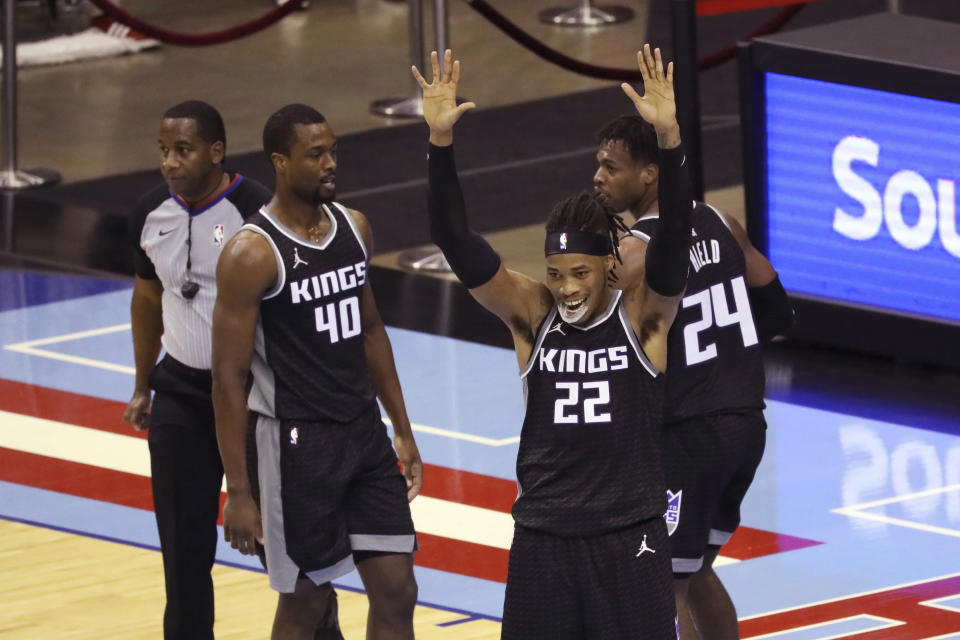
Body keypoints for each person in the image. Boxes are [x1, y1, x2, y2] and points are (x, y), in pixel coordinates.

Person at [413, 46, 691, 639]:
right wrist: (440, 143)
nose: (565, 287)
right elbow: (454, 239)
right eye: (556, 272)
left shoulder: (644, 321)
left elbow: (671, 251)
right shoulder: (531, 315)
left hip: (629, 536)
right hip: (545, 536)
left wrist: (669, 140)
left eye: (580, 273)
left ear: (610, 264)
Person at [211, 103, 422, 640]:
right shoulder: (251, 253)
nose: (331, 163)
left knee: (398, 588)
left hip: (363, 436)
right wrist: (238, 489)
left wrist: (401, 427)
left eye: (334, 151)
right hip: (295, 444)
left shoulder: (356, 227)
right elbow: (227, 380)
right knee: (307, 602)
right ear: (280, 163)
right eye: (316, 154)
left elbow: (371, 331)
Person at [593, 113, 794, 638]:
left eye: (611, 167)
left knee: (658, 581)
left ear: (650, 174)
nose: (598, 177)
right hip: (747, 424)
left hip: (688, 432)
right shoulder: (724, 223)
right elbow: (776, 312)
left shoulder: (634, 254)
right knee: (696, 567)